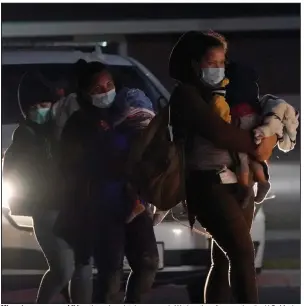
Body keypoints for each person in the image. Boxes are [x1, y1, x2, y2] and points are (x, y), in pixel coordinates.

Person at [168, 31, 276, 303]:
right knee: (241, 253)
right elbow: (219, 133)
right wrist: (259, 144)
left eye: (221, 62)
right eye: (210, 62)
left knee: (224, 260)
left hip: (240, 182)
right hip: (207, 184)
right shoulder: (187, 94)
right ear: (194, 64)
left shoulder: (230, 90)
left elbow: (252, 118)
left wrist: (268, 132)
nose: (216, 69)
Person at [56, 59, 159, 303]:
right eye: (98, 89)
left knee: (148, 263)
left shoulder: (127, 113)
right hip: (103, 206)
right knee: (110, 273)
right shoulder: (79, 123)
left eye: (109, 85)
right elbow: (77, 165)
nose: (106, 92)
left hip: (136, 202)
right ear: (85, 93)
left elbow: (144, 152)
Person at [3, 73, 92, 304]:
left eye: (45, 104)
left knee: (83, 266)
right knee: (63, 268)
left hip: (74, 207)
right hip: (47, 211)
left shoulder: (63, 128)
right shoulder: (25, 135)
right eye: (35, 106)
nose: (41, 109)